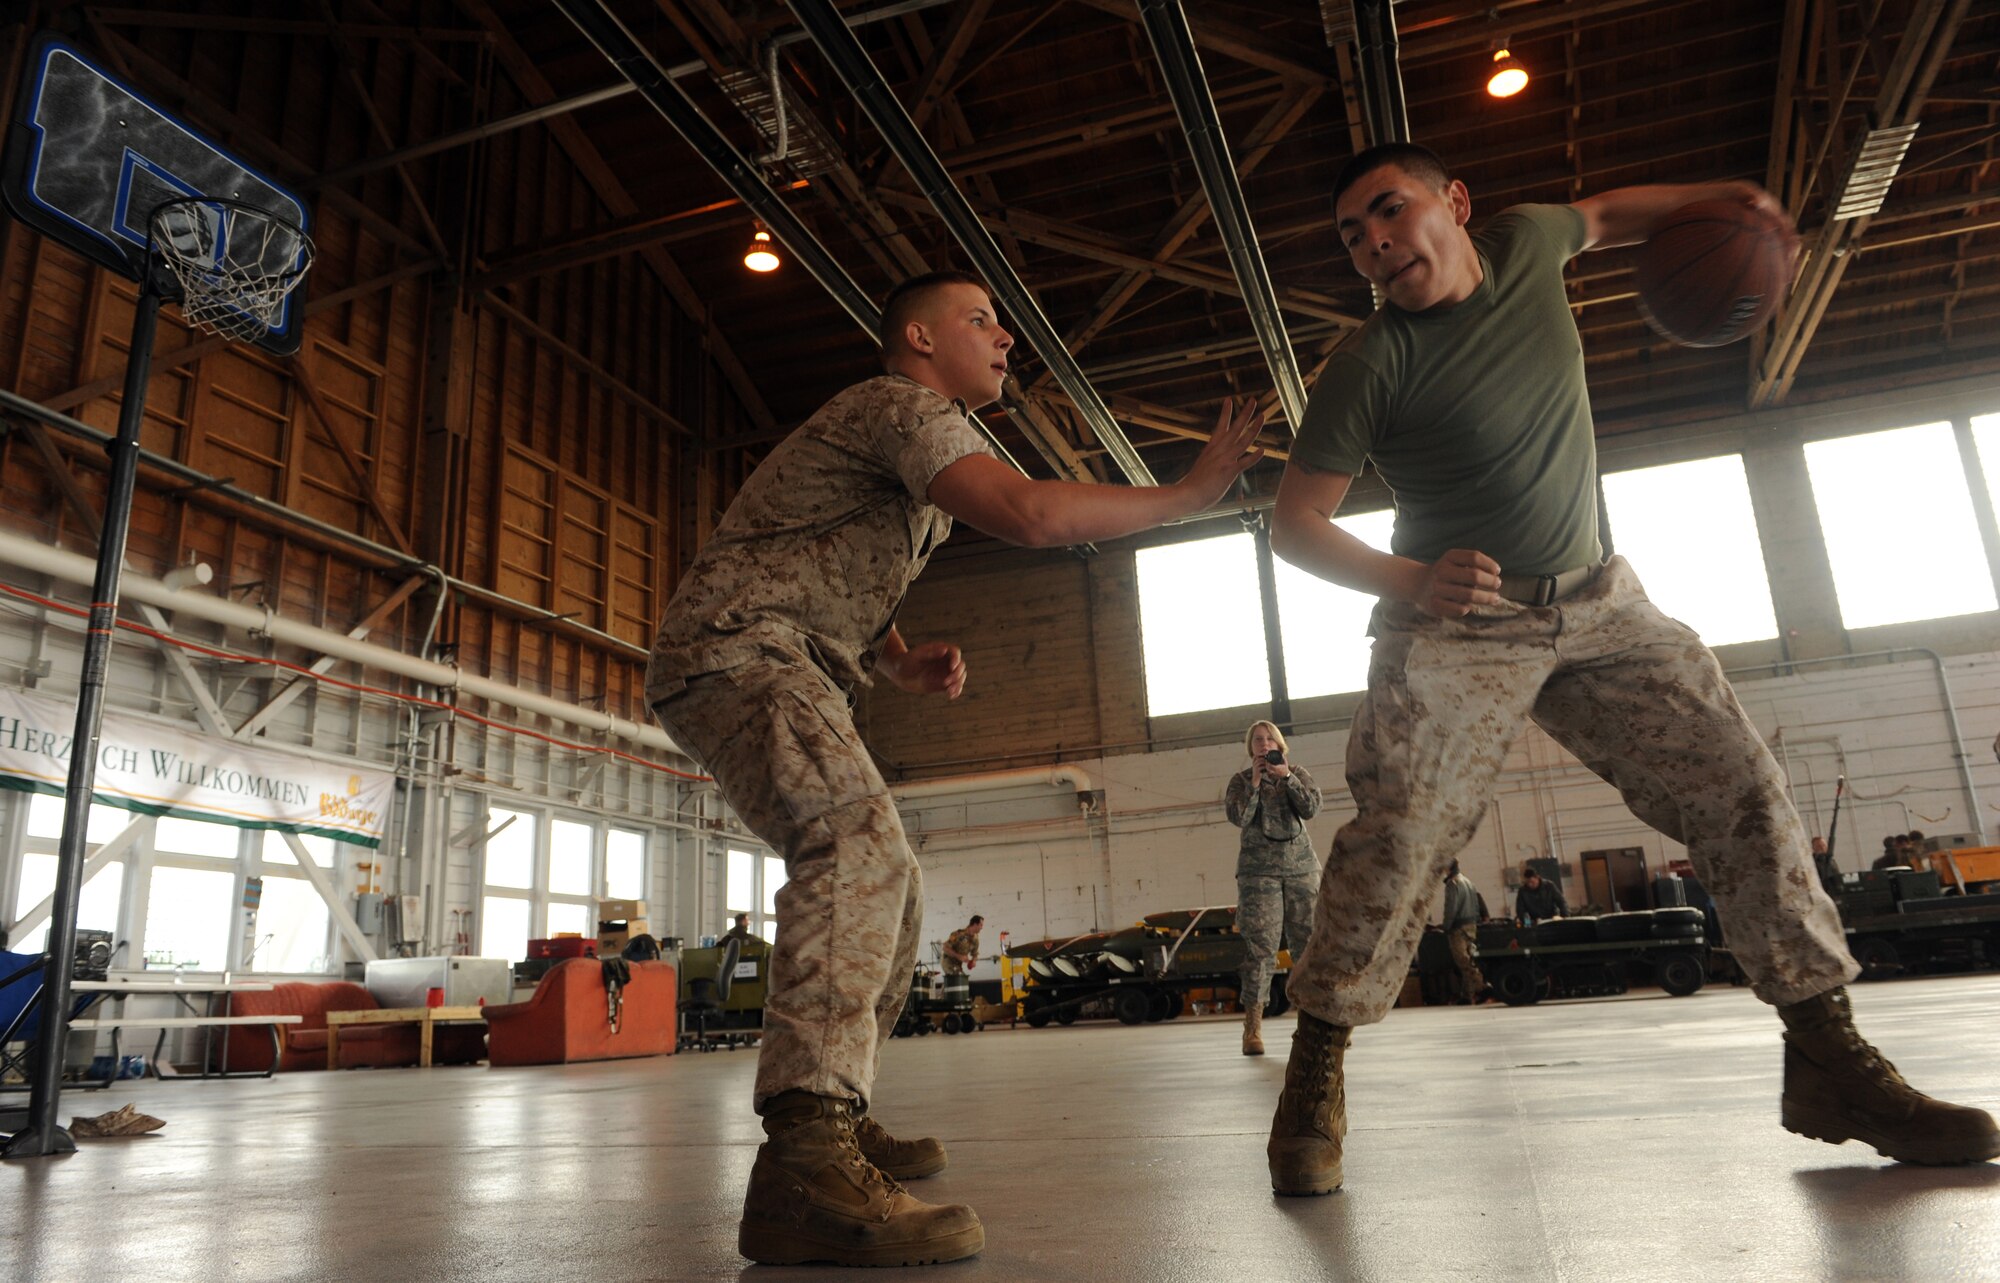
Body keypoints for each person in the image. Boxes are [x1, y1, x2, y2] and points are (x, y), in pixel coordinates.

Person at [1261, 141, 1998, 1198]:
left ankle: (1833, 1061)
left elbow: (1606, 212)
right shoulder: (1369, 362)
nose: (1373, 242)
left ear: (1455, 202)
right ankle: (1313, 1077)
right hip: (1461, 623)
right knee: (1399, 838)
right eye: (1350, 235)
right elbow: (1295, 525)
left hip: (1601, 602)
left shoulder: (1523, 243)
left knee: (1741, 787)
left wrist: (1714, 203)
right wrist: (1411, 577)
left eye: (1388, 210)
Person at [645, 268, 1267, 1267]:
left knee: (893, 877)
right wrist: (1188, 493)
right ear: (919, 340)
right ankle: (803, 1156)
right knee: (854, 847)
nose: (1005, 337)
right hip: (735, 648)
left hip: (783, 654)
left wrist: (897, 657)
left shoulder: (901, 446)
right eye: (980, 320)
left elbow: (829, 555)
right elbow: (1026, 512)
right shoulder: (898, 406)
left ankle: (836, 1122)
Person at [1224, 720, 1323, 1055]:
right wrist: (1254, 783)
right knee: (1260, 950)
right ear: (1250, 748)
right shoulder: (1239, 782)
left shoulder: (1297, 773)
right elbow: (1238, 817)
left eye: (1269, 739)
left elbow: (1311, 808)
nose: (1264, 744)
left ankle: (1317, 1022)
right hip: (1258, 873)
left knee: (1307, 946)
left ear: (1280, 744)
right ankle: (1252, 1029)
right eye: (1257, 740)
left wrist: (1287, 779)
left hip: (1300, 870)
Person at [1439, 859, 1486, 1003]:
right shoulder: (1468, 882)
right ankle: (1467, 995)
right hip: (1471, 926)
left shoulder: (1453, 884)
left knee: (1463, 962)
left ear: (1448, 867)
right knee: (1469, 959)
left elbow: (1451, 908)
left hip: (1458, 928)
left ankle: (1482, 987)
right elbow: (1477, 905)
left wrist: (1446, 926)